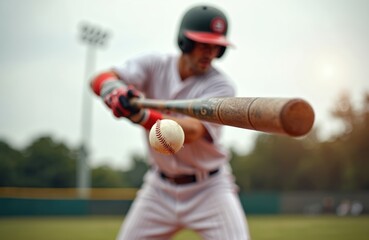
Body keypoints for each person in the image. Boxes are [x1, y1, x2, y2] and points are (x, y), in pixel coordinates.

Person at [91, 4, 250, 240]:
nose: (209, 52)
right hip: (159, 188)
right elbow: (99, 78)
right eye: (203, 43)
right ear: (184, 41)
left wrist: (142, 115)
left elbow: (193, 131)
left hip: (209, 189)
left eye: (216, 46)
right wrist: (113, 90)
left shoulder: (221, 86)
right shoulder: (154, 64)